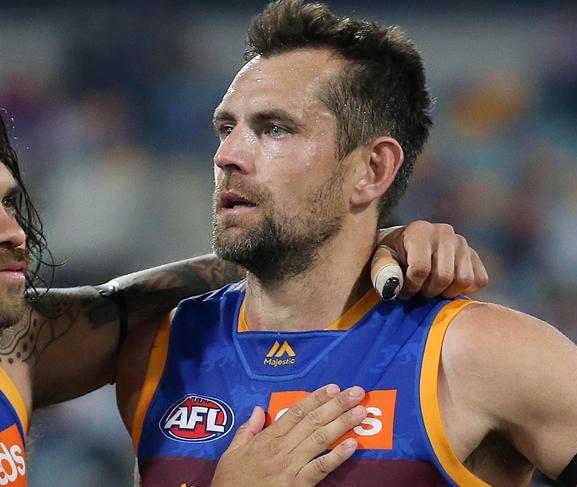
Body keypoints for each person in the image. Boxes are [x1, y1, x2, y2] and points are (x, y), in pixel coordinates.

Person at [115, 1, 577, 486]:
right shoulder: (162, 349)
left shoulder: (479, 355)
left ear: (372, 170)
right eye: (225, 127)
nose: (227, 154)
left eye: (274, 129)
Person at [0, 107, 487, 484]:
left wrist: (352, 239)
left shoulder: (20, 346)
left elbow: (138, 297)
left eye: (7, 202)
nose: (13, 232)